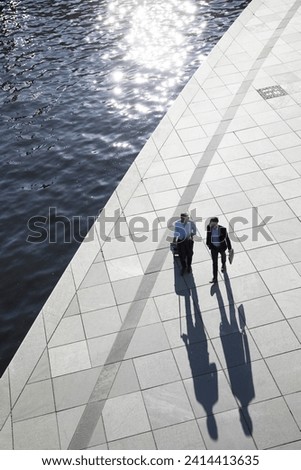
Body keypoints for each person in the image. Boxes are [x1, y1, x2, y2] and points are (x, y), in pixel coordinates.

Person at [206, 217, 232, 284]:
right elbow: (208, 236)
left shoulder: (223, 229)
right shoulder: (209, 228)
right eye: (210, 223)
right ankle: (215, 278)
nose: (211, 225)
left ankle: (223, 264)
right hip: (213, 248)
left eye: (212, 223)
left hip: (221, 247)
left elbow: (227, 239)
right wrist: (208, 244)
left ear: (216, 223)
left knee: (223, 256)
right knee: (214, 263)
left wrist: (230, 249)